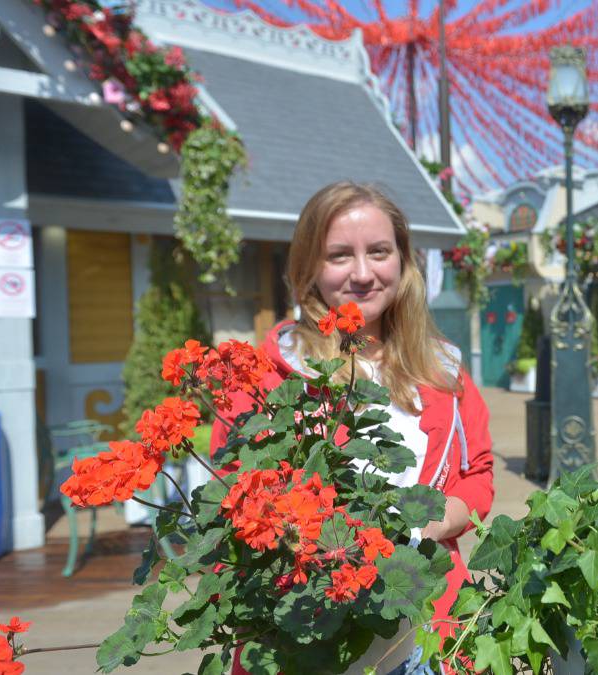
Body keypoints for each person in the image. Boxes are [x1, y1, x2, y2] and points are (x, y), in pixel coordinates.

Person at [213, 181, 495, 674]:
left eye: (379, 252)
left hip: (428, 637)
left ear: (403, 263)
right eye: (339, 255)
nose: (363, 274)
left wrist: (430, 521)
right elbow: (232, 507)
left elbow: (477, 476)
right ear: (308, 269)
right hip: (306, 639)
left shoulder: (444, 371)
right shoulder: (265, 379)